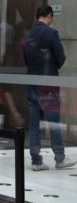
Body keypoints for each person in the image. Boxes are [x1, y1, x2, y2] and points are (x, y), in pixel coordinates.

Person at [22, 5, 77, 171]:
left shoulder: (28, 35)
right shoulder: (51, 33)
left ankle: (36, 161)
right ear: (50, 16)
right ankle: (59, 158)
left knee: (34, 124)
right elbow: (61, 59)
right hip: (48, 87)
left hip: (32, 84)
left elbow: (26, 59)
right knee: (54, 123)